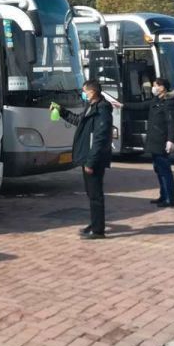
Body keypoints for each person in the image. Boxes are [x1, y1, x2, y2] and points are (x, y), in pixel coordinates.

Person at [52, 79, 114, 239]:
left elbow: (100, 139)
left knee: (96, 194)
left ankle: (98, 230)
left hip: (94, 159)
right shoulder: (91, 107)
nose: (83, 94)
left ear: (92, 92)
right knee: (91, 193)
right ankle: (95, 223)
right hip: (87, 156)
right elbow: (78, 120)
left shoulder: (102, 110)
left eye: (85, 91)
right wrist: (61, 111)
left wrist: (91, 162)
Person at [145, 77, 174, 208]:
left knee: (165, 170)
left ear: (163, 87)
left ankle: (171, 198)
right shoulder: (156, 100)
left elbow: (171, 123)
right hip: (154, 140)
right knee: (158, 169)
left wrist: (170, 140)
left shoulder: (168, 102)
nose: (154, 88)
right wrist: (122, 105)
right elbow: (142, 105)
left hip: (161, 140)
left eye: (156, 85)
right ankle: (163, 196)